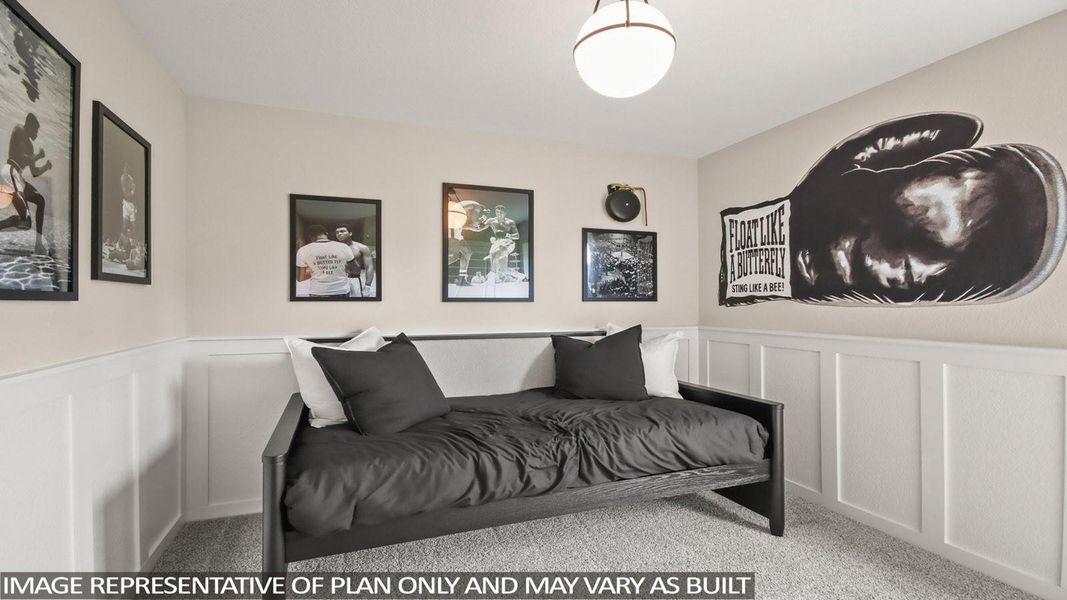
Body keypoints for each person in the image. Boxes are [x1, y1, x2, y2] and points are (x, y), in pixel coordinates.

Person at [0, 113, 51, 252]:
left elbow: (34, 173)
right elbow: (23, 158)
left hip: (18, 176)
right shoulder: (19, 129)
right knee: (26, 221)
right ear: (30, 125)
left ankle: (38, 242)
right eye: (36, 130)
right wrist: (39, 156)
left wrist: (46, 166)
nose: (37, 133)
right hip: (10, 172)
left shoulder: (30, 146)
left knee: (40, 200)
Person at [295, 224, 355, 297]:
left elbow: (300, 278)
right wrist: (341, 269)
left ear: (310, 237)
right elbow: (356, 270)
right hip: (341, 290)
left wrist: (315, 271)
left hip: (318, 292)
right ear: (326, 233)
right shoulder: (344, 247)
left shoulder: (303, 250)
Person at [482, 204, 523, 281]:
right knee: (504, 269)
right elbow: (480, 228)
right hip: (497, 243)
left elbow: (517, 236)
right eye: (497, 212)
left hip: (508, 242)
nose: (499, 214)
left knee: (495, 254)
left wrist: (508, 235)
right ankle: (520, 275)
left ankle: (491, 278)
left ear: (505, 213)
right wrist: (482, 218)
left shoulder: (510, 222)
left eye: (501, 212)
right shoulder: (491, 220)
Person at [334, 224, 376, 297]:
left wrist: (367, 286)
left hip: (354, 279)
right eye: (337, 232)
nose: (339, 234)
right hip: (338, 280)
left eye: (342, 231)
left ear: (350, 233)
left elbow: (369, 267)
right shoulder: (333, 248)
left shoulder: (362, 248)